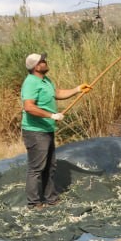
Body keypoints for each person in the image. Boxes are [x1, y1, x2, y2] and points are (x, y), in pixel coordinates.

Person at [20, 53, 89, 209]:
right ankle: (34, 203)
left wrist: (77, 89)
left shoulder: (46, 81)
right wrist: (52, 115)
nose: (46, 62)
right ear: (36, 66)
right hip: (35, 131)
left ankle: (51, 199)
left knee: (50, 166)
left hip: (47, 129)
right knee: (36, 168)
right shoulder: (31, 82)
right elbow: (29, 107)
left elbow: (56, 93)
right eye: (43, 61)